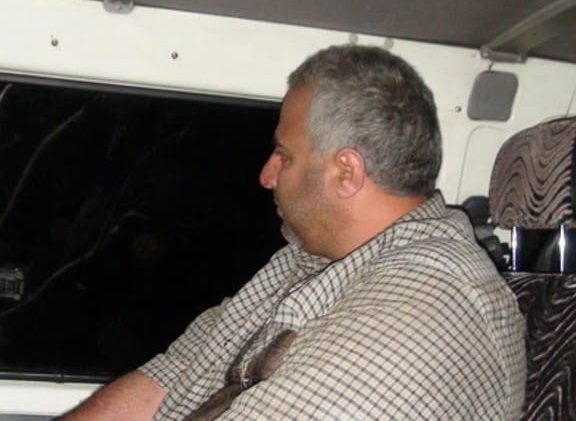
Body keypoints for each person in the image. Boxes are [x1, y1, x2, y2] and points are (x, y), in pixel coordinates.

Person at [60, 45, 526, 420]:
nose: (266, 175)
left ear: (346, 172)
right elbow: (173, 378)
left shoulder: (425, 308)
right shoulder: (309, 260)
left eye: (283, 155)